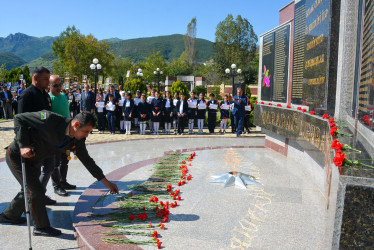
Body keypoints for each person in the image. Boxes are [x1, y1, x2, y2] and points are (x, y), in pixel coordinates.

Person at [0, 111, 119, 237]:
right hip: (18, 157)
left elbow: (88, 162)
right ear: (76, 125)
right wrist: (23, 145)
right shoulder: (49, 118)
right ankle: (41, 227)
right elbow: (19, 118)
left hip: (36, 160)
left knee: (29, 188)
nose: (87, 135)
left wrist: (107, 183)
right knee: (35, 191)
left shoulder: (77, 140)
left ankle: (9, 216)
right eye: (86, 131)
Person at [17, 67, 57, 205]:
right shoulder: (27, 95)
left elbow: (46, 114)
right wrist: (24, 144)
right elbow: (20, 121)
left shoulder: (44, 94)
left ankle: (40, 193)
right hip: (33, 141)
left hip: (46, 140)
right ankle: (32, 198)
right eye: (46, 79)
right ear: (35, 78)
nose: (48, 82)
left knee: (50, 166)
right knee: (34, 174)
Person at [48, 75, 77, 193]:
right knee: (55, 162)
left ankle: (63, 181)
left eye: (60, 84)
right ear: (49, 86)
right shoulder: (48, 99)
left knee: (65, 160)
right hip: (55, 136)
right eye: (56, 85)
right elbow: (45, 117)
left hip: (67, 134)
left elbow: (67, 112)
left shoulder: (64, 96)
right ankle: (56, 186)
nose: (59, 87)